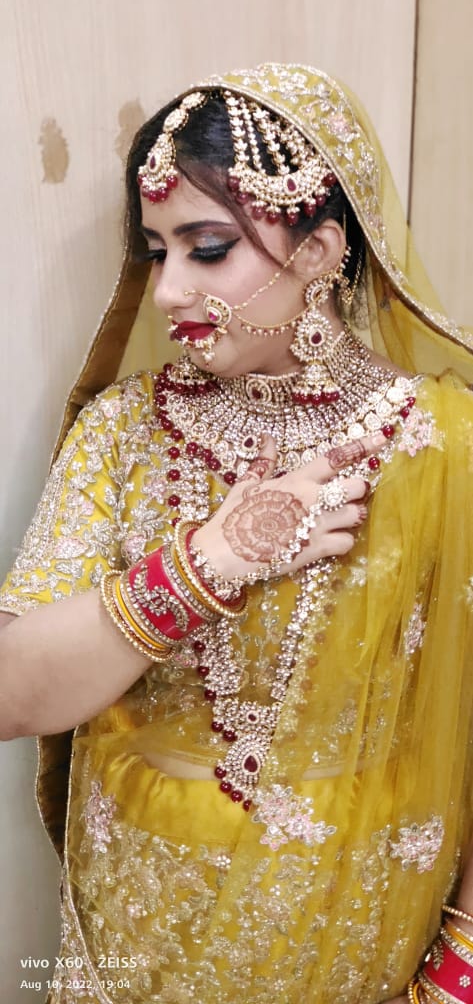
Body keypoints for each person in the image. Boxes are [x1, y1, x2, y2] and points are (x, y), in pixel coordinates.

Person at [1, 62, 473, 1004]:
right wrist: (212, 559)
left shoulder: (445, 443)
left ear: (320, 250)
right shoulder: (124, 430)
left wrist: (462, 962)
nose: (168, 291)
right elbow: (15, 695)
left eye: (207, 248)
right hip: (132, 916)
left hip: (358, 920)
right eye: (155, 252)